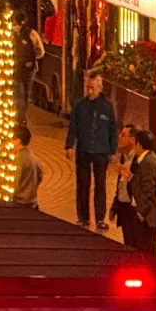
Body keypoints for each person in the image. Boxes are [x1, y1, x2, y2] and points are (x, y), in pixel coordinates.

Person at [64, 73, 118, 230]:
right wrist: (69, 145)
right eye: (89, 87)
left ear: (100, 88)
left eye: (94, 87)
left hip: (102, 151)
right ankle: (83, 217)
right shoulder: (80, 106)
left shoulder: (107, 107)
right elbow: (73, 126)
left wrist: (113, 149)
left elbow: (112, 129)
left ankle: (100, 218)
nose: (91, 90)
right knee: (83, 184)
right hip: (83, 150)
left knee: (100, 185)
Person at [125, 129, 156, 255]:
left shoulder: (147, 163)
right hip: (152, 213)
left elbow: (148, 191)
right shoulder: (154, 159)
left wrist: (140, 212)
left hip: (148, 216)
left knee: (146, 251)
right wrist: (131, 178)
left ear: (139, 144)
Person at [13, 125, 43, 207]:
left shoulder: (17, 160)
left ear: (18, 141)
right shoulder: (32, 156)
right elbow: (40, 175)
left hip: (19, 203)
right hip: (32, 202)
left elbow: (15, 183)